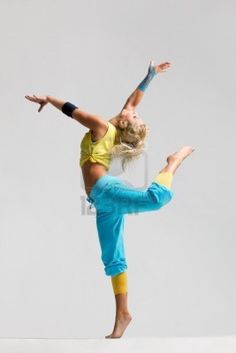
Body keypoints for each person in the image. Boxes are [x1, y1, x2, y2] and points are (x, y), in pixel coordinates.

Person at [25, 60, 194, 339]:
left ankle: (173, 162)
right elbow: (133, 100)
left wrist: (49, 98)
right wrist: (149, 76)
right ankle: (123, 315)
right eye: (135, 114)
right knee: (113, 259)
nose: (135, 111)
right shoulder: (115, 124)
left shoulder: (101, 126)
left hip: (105, 190)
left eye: (135, 116)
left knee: (155, 199)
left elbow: (73, 111)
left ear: (125, 122)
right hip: (100, 202)